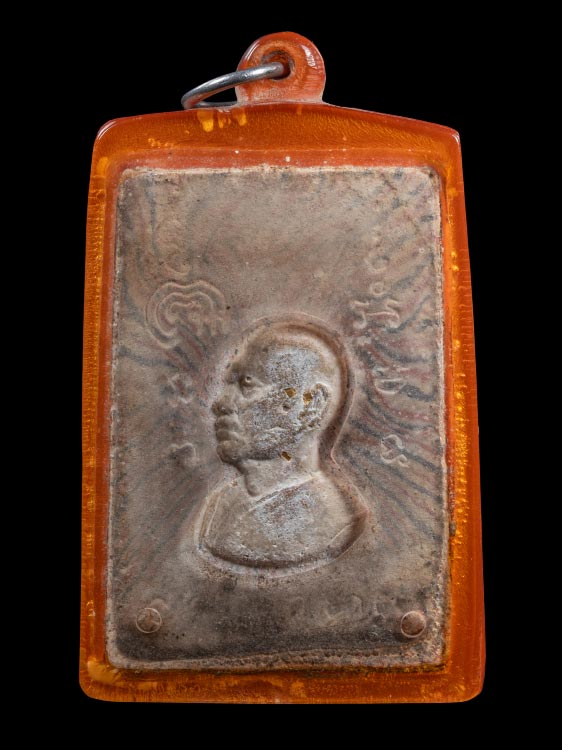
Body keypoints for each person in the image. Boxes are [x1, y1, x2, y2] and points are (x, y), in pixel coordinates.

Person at [196, 317, 368, 571]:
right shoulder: (218, 507)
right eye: (229, 385)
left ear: (311, 406)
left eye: (247, 384)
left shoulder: (334, 519)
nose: (220, 404)